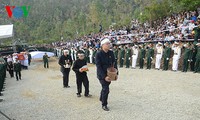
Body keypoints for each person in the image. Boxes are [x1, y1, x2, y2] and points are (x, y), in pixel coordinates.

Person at [95, 38, 118, 111]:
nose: (109, 45)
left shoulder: (111, 53)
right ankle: (104, 104)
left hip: (110, 73)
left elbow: (114, 63)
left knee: (105, 86)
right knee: (106, 89)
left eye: (109, 43)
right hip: (102, 74)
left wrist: (116, 73)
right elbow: (98, 66)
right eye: (107, 44)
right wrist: (104, 76)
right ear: (102, 45)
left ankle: (102, 97)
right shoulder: (98, 54)